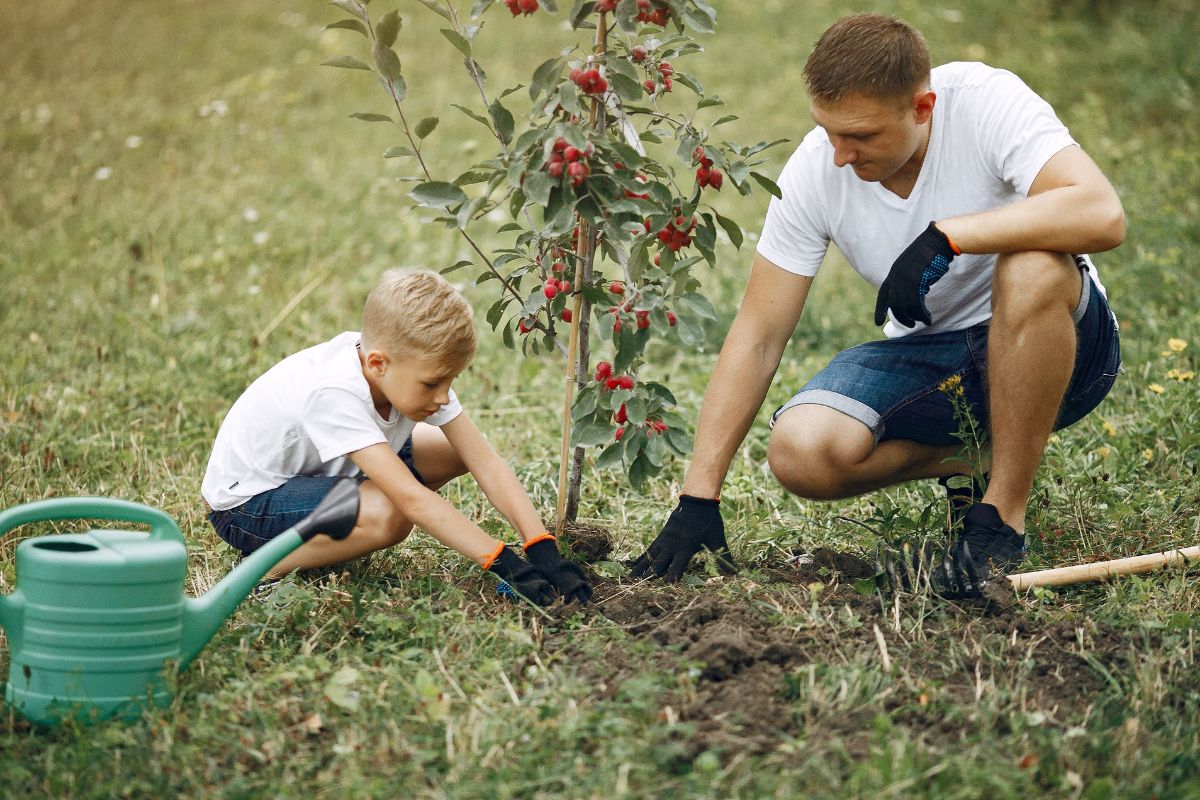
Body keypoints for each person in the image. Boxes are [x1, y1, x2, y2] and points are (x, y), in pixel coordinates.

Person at [632, 13, 1123, 596]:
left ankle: (1000, 516)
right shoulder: (817, 169)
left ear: (922, 108)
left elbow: (1101, 212)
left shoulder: (988, 102)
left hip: (1065, 348)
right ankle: (976, 459)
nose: (839, 155)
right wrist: (698, 495)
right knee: (802, 452)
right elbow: (759, 334)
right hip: (933, 359)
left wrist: (953, 234)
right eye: (827, 130)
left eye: (860, 136)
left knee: (1033, 264)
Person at [202, 269, 591, 606]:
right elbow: (412, 500)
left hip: (316, 474)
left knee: (448, 452)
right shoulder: (334, 393)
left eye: (450, 380)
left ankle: (345, 525)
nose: (443, 396)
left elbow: (483, 461)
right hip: (249, 505)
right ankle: (266, 566)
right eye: (433, 383)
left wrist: (541, 547)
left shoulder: (406, 365)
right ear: (377, 364)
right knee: (391, 514)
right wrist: (502, 562)